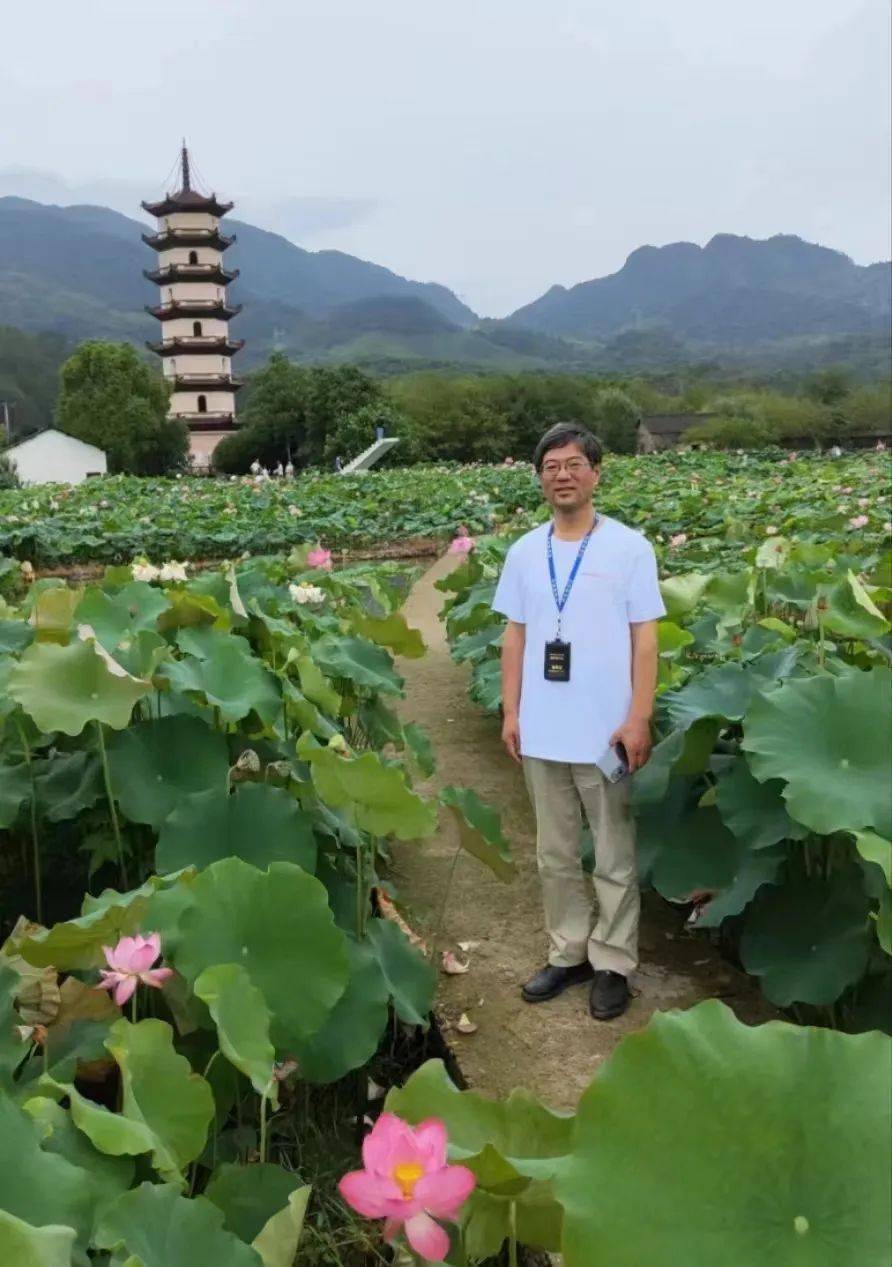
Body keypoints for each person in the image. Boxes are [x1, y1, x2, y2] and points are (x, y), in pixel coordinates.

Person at [492, 422, 665, 1021]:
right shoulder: (522, 551)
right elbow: (514, 637)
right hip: (543, 729)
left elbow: (646, 639)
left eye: (573, 464)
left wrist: (638, 717)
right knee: (555, 854)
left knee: (613, 855)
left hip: (605, 732)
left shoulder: (629, 548)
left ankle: (614, 961)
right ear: (540, 478)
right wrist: (512, 710)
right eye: (550, 467)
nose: (561, 475)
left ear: (595, 472)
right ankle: (569, 951)